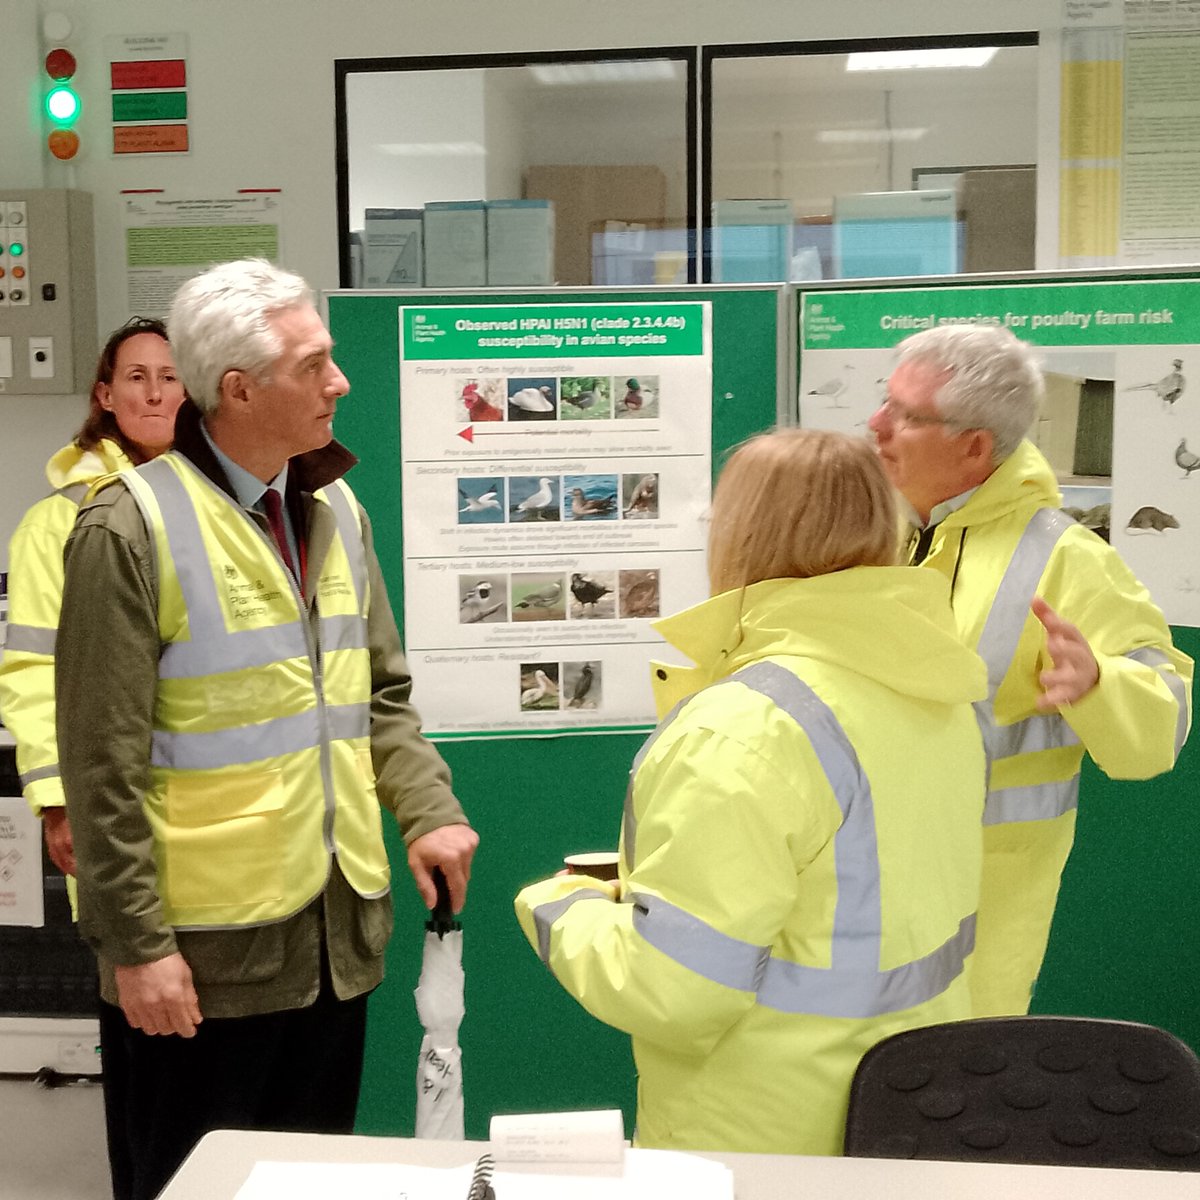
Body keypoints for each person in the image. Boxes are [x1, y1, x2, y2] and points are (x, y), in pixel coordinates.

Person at [54, 259, 479, 1200]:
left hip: (334, 946)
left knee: (312, 1185)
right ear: (239, 389)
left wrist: (427, 809)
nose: (340, 381)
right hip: (199, 968)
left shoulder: (333, 508)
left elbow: (379, 695)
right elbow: (99, 771)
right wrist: (138, 950)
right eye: (315, 363)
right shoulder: (128, 531)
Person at [515, 429, 988, 1156]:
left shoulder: (744, 729)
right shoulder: (938, 690)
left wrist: (561, 908)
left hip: (760, 1139)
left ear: (740, 536)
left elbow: (674, 993)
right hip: (916, 1116)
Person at [868, 323, 1193, 1018]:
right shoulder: (863, 531)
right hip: (848, 888)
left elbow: (1161, 723)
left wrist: (1099, 682)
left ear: (974, 446)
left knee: (945, 1100)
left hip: (979, 913)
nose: (876, 426)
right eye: (883, 401)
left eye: (905, 414)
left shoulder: (1068, 559)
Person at [0, 317, 185, 889]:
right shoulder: (54, 523)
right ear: (106, 396)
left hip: (217, 811)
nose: (154, 393)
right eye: (136, 376)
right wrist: (57, 798)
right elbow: (32, 669)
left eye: (170, 376)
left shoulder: (229, 506)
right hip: (110, 799)